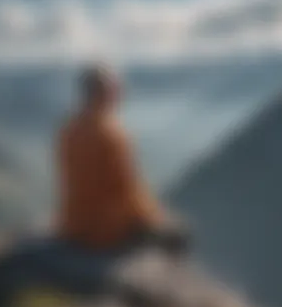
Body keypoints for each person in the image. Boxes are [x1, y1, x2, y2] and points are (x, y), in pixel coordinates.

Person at [55, 63, 186, 255]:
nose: (120, 93)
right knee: (178, 235)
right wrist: (156, 218)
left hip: (72, 223)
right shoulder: (112, 134)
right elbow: (128, 191)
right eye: (116, 88)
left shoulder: (68, 130)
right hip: (104, 232)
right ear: (106, 92)